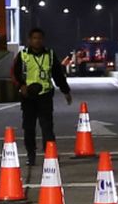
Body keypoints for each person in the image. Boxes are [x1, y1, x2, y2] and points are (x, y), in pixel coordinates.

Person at [11, 27, 73, 166]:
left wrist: (66, 91)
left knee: (47, 127)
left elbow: (58, 74)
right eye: (34, 38)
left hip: (45, 95)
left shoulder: (50, 55)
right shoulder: (23, 55)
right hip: (28, 97)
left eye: (39, 38)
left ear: (43, 40)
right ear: (29, 40)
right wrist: (21, 86)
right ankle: (31, 155)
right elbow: (14, 74)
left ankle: (50, 155)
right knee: (29, 127)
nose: (37, 41)